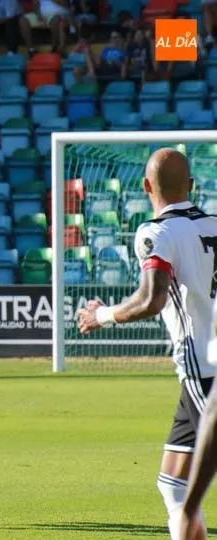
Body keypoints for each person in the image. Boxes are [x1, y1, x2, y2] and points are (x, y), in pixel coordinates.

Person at [77, 149, 217, 540]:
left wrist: (101, 316)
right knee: (173, 483)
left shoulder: (156, 233)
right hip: (202, 373)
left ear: (145, 187)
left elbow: (150, 300)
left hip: (203, 368)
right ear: (191, 186)